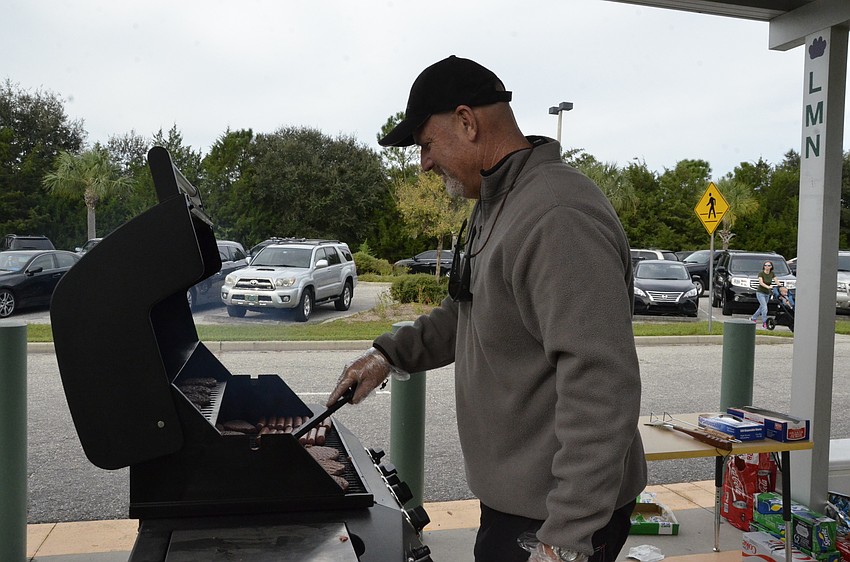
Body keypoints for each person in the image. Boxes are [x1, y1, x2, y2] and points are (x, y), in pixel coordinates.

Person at [327, 55, 646, 562]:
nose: (423, 163)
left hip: (556, 518)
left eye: (426, 144)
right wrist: (388, 356)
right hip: (519, 505)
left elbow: (601, 384)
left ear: (467, 122)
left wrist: (567, 538)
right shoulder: (494, 205)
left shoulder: (557, 214)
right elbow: (467, 313)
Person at [751, 261, 776, 328]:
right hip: (760, 292)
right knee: (764, 307)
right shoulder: (761, 273)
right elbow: (761, 283)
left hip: (767, 293)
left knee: (761, 307)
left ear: (771, 267)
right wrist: (768, 287)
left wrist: (780, 286)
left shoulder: (772, 274)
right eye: (765, 265)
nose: (767, 267)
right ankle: (764, 322)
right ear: (764, 266)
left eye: (769, 265)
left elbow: (777, 280)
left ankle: (753, 318)